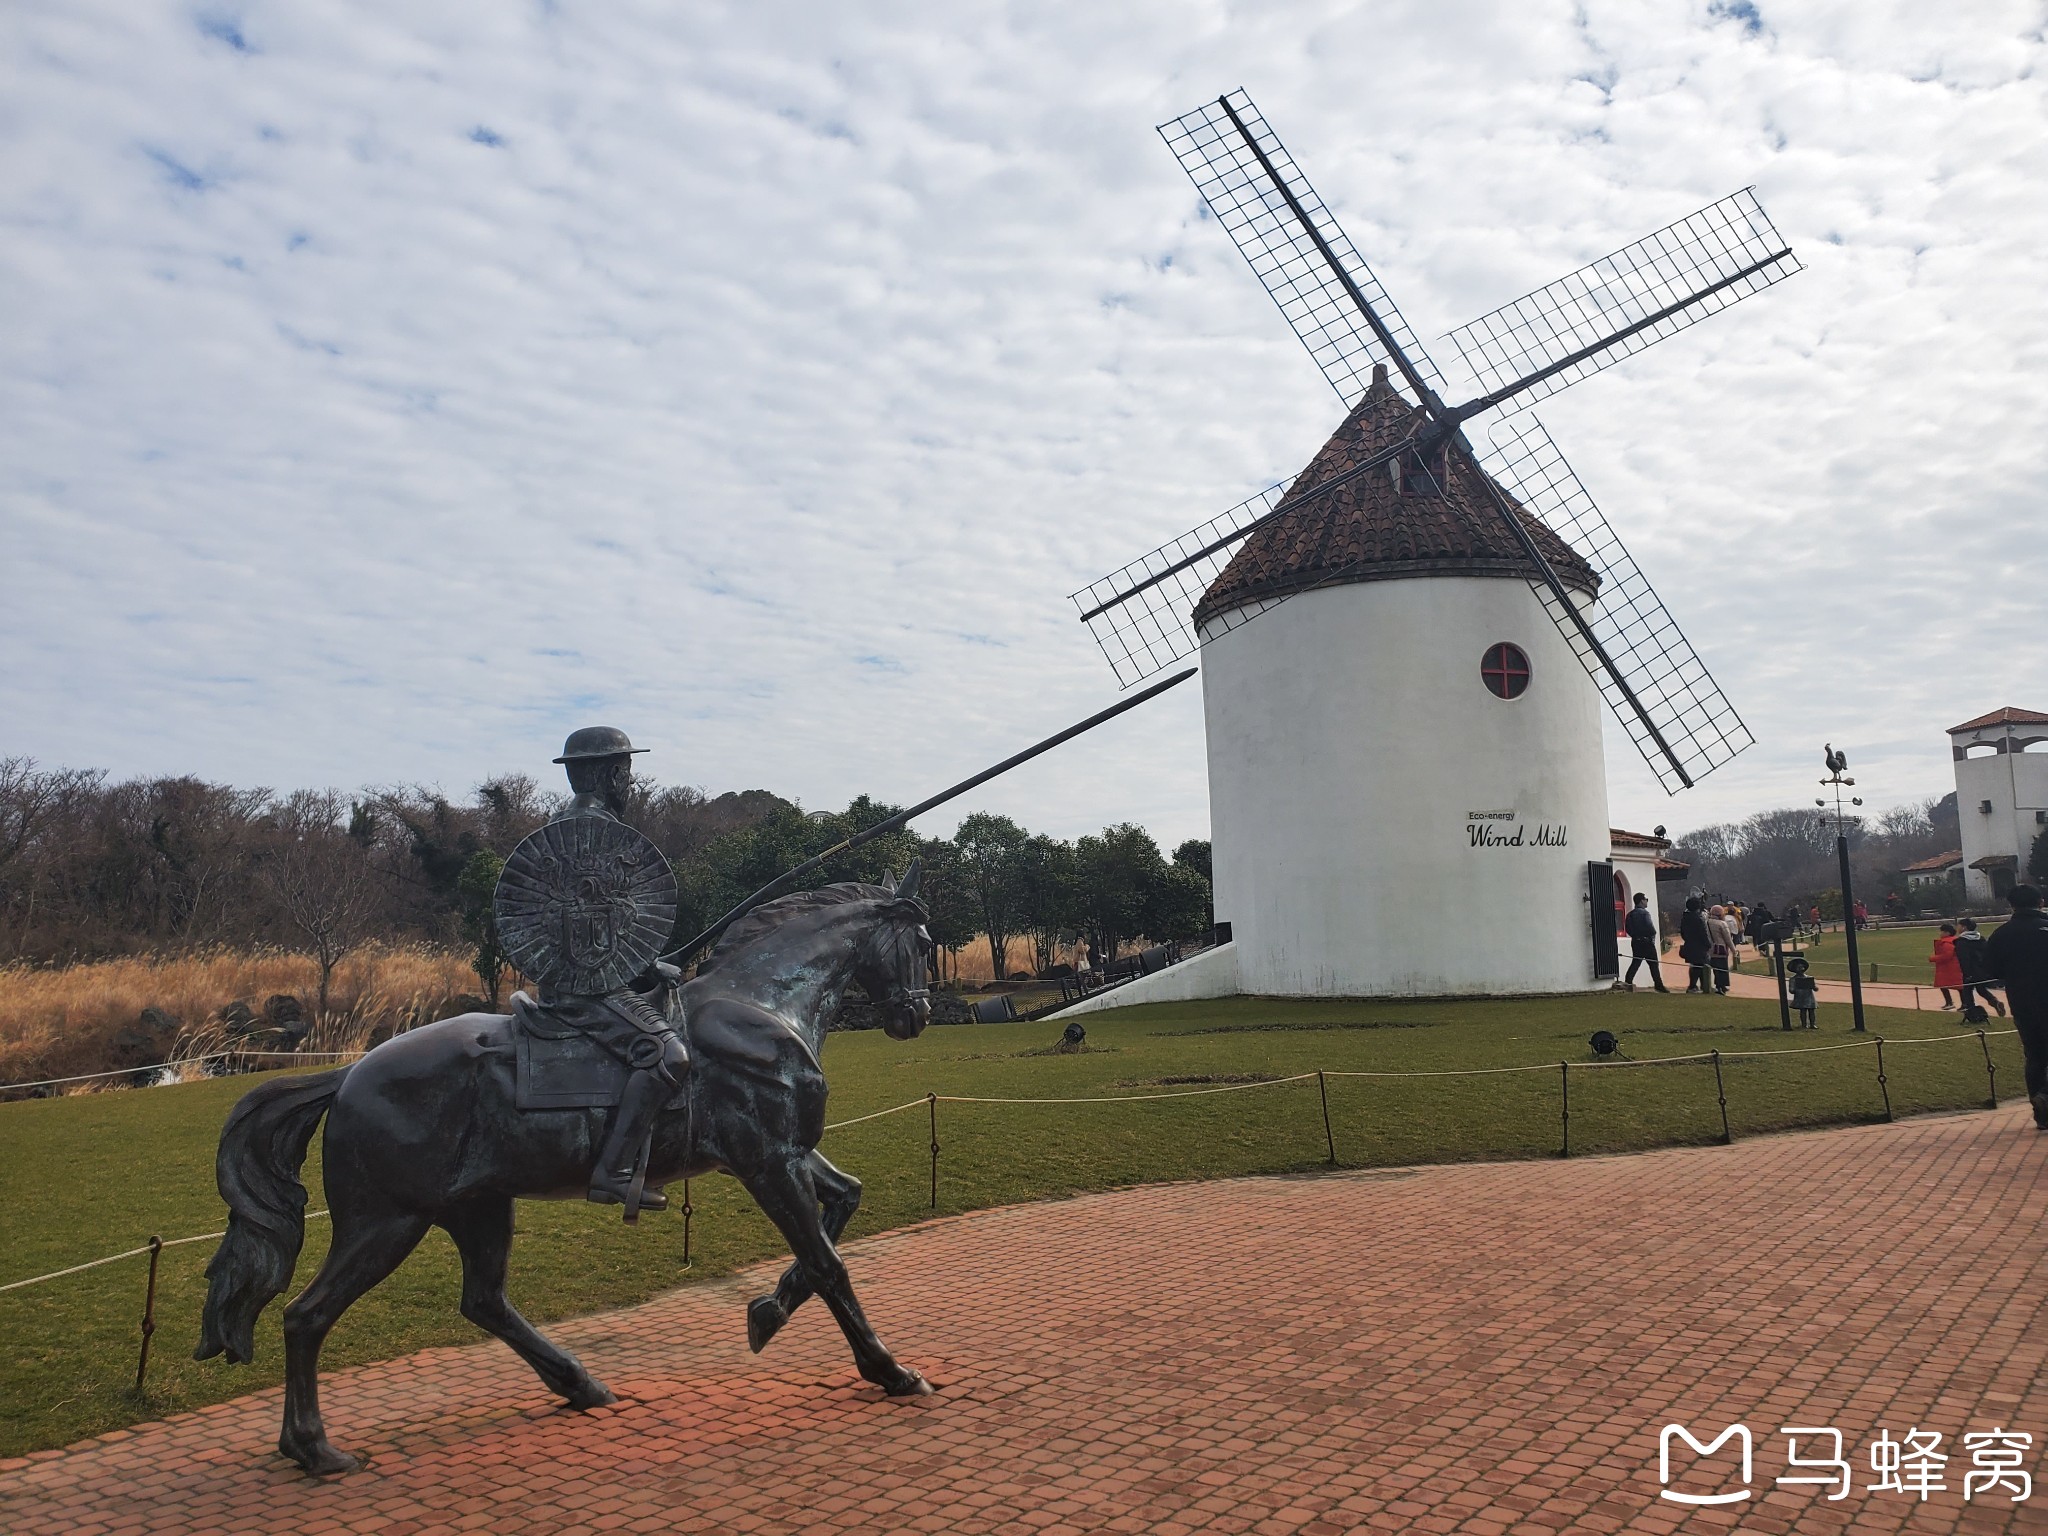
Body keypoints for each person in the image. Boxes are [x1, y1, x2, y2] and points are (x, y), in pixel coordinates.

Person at [530, 726, 692, 1212]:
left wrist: (646, 963)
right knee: (671, 1057)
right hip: (585, 993)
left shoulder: (562, 831)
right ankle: (614, 1172)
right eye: (623, 771)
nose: (628, 782)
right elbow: (589, 929)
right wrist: (640, 963)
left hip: (583, 980)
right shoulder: (595, 835)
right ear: (603, 774)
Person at [1987, 886, 2048, 1129]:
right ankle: (2045, 1095)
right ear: (2041, 902)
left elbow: (1992, 971)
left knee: (2034, 1055)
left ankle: (2041, 1113)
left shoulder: (2002, 934)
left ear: (2011, 905)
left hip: (2023, 1001)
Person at [1954, 917, 2007, 1019]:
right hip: (1982, 970)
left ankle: (1972, 1013)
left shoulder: (1962, 942)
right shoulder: (1981, 939)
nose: (1957, 928)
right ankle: (1995, 1002)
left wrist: (1967, 973)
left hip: (1970, 971)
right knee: (1981, 989)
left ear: (1964, 927)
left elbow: (1964, 959)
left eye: (1959, 925)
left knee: (1967, 992)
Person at [1622, 893, 1667, 992]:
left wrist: (1635, 935)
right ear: (1642, 901)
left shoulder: (1630, 914)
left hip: (1636, 941)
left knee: (1636, 962)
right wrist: (1652, 935)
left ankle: (1628, 982)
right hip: (1647, 942)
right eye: (1646, 899)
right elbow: (1650, 927)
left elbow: (1628, 928)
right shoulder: (1645, 913)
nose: (1646, 901)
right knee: (1653, 964)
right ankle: (1658, 985)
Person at [1679, 897, 1712, 995]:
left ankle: (1702, 985)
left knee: (1697, 965)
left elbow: (1683, 932)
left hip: (1690, 943)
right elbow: (1703, 933)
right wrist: (1708, 943)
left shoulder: (1685, 918)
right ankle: (1693, 986)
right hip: (1699, 945)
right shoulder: (1698, 918)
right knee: (1700, 965)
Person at [1705, 904, 1738, 995]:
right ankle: (1720, 986)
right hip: (1721, 949)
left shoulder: (1706, 922)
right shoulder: (1722, 924)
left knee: (1715, 968)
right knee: (1722, 968)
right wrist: (1734, 950)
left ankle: (1719, 986)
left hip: (1710, 949)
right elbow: (1728, 939)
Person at [1931, 922, 1963, 1010]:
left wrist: (1933, 958)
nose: (1940, 933)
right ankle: (1961, 1003)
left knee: (1946, 986)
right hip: (1951, 967)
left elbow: (1946, 956)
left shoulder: (1947, 943)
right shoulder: (1953, 941)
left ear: (1947, 933)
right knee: (1958, 987)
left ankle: (1950, 1002)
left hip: (1949, 968)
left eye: (1942, 931)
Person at [1787, 955, 1819, 1027]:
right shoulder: (1793, 979)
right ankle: (1804, 1024)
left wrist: (1814, 987)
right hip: (1800, 997)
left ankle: (1812, 1024)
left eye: (1802, 967)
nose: (1801, 969)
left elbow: (1816, 988)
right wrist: (1796, 988)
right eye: (1798, 968)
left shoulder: (1809, 978)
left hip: (1809, 997)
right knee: (1803, 1011)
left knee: (1811, 1011)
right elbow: (1791, 990)